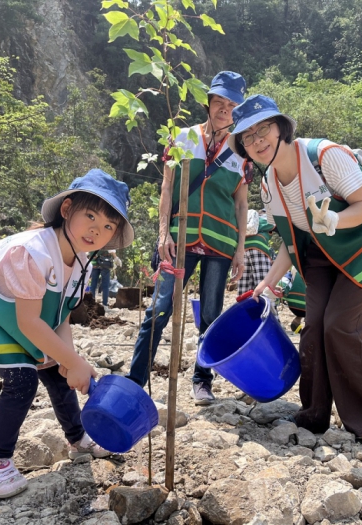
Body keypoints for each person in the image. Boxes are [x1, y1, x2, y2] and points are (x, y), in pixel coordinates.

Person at [229, 94, 362, 454]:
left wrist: (335, 218)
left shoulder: (323, 156)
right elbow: (290, 239)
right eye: (247, 136)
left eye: (263, 129)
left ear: (281, 128)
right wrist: (268, 282)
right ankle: (313, 415)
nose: (257, 141)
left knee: (342, 327)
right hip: (320, 256)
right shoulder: (268, 185)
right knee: (313, 328)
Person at [0, 169, 134, 498]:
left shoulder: (82, 263)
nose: (97, 230)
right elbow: (28, 323)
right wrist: (74, 362)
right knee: (22, 380)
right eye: (90, 216)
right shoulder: (33, 252)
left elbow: (60, 316)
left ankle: (78, 439)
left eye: (109, 226)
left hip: (27, 317)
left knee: (57, 372)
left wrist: (69, 361)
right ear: (66, 209)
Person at [125, 71, 249, 405]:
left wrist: (240, 249)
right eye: (219, 102)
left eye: (232, 105)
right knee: (158, 309)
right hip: (179, 240)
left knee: (210, 314)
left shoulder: (242, 151)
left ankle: (202, 380)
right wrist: (162, 232)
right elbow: (167, 188)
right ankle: (135, 381)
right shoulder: (181, 138)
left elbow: (241, 204)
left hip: (220, 242)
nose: (224, 110)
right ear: (208, 103)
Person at [238, 209, 274, 296]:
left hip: (243, 248)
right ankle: (264, 303)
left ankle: (243, 303)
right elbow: (275, 225)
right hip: (258, 247)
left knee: (244, 285)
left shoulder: (247, 220)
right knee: (263, 283)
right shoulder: (266, 219)